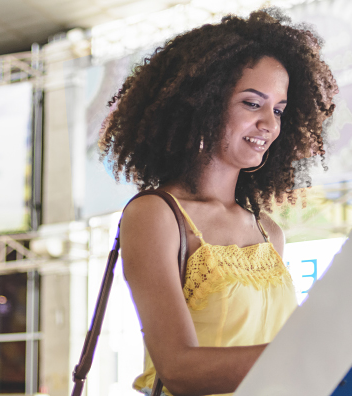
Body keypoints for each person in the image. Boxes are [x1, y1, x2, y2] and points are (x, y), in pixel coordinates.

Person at [99, 9, 337, 396]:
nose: (270, 124)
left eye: (278, 109)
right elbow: (177, 368)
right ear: (203, 104)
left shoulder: (268, 232)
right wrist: (308, 353)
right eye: (251, 103)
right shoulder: (156, 215)